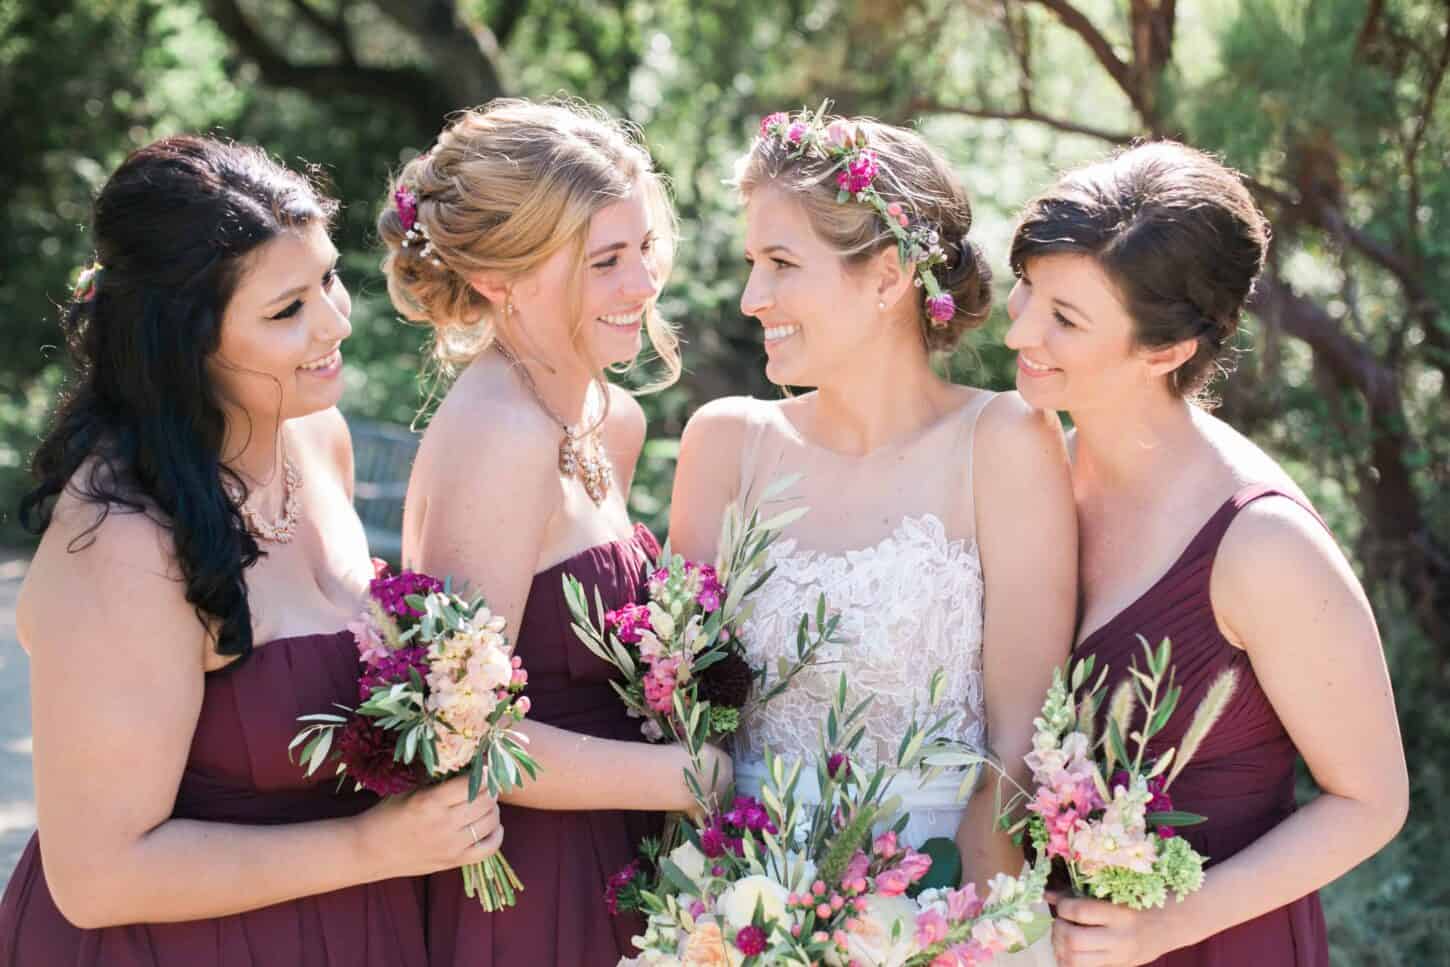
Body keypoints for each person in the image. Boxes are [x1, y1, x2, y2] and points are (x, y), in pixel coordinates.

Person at [0, 136, 502, 967]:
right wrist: (375, 848)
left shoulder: (318, 438)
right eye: (287, 310)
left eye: (330, 278)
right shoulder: (124, 536)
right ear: (184, 340)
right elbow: (96, 876)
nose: (335, 321)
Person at [668, 108, 1075, 963]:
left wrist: (939, 933)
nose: (752, 298)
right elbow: (683, 727)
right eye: (753, 263)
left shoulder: (1004, 442)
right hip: (739, 907)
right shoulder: (725, 443)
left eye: (782, 263)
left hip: (945, 908)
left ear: (889, 274)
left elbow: (1018, 748)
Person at [1005, 141, 1408, 967]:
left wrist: (1168, 924)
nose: (1020, 329)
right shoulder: (1028, 465)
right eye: (1027, 290)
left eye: (1065, 318)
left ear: (1168, 350)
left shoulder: (1263, 545)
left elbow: (1372, 801)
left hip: (1217, 945)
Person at [378, 98, 731, 966]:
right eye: (606, 260)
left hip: (631, 857)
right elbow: (464, 731)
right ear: (499, 278)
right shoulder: (499, 435)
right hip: (537, 886)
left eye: (643, 248)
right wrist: (696, 776)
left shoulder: (610, 418)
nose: (643, 286)